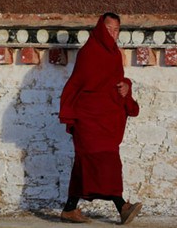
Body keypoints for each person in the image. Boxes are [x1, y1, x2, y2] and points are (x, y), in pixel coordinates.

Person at [58, 12, 141, 224]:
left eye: (116, 30)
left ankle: (69, 208)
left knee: (85, 165)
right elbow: (79, 84)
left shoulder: (114, 54)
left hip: (105, 119)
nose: (112, 34)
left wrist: (126, 86)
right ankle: (122, 206)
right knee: (105, 162)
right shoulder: (89, 52)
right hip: (88, 118)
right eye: (109, 29)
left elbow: (114, 82)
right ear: (99, 28)